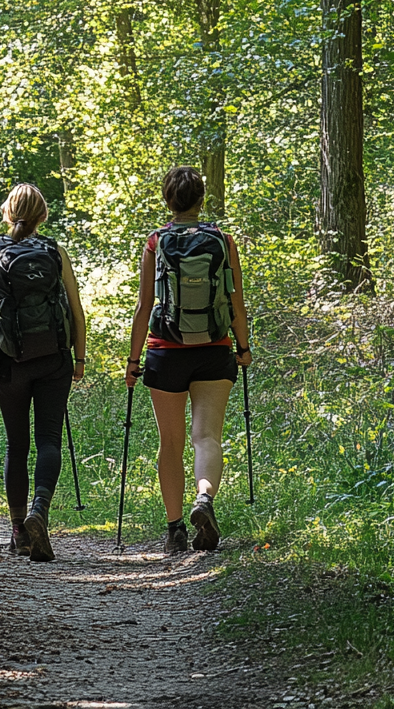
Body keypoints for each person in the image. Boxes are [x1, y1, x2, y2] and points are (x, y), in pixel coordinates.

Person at [125, 165, 252, 553]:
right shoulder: (223, 240)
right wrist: (243, 348)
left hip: (165, 350)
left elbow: (145, 305)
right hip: (215, 349)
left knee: (171, 443)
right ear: (201, 201)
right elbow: (236, 303)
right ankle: (205, 500)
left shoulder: (155, 241)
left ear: (168, 200)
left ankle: (176, 529)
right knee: (206, 437)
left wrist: (133, 362)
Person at [0, 183, 87, 562]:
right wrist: (79, 359)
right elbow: (76, 309)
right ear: (42, 217)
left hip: (9, 360)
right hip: (53, 358)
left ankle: (19, 532)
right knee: (49, 439)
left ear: (6, 212)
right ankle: (40, 512)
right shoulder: (54, 251)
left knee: (17, 445)